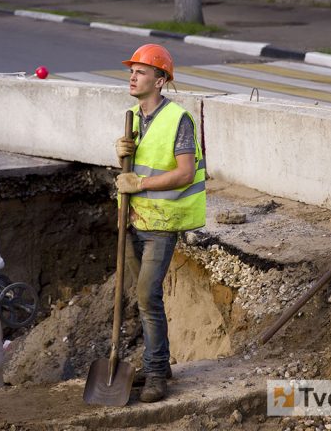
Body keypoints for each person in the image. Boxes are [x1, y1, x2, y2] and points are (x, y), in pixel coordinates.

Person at [114, 43, 206, 403]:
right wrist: (122, 155)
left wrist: (140, 182)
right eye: (131, 71)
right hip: (134, 219)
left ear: (161, 79)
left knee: (147, 296)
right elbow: (136, 167)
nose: (132, 77)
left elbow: (184, 172)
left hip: (162, 224)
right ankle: (160, 363)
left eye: (141, 71)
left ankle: (155, 373)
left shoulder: (177, 119)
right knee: (139, 297)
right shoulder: (134, 118)